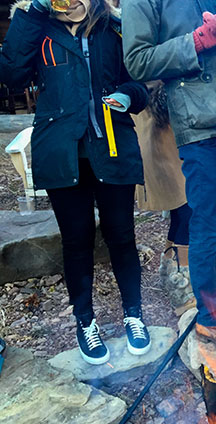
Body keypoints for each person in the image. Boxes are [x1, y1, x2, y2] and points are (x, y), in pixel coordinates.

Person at [0, 0, 150, 365]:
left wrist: (128, 95)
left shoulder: (114, 28)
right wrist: (32, 13)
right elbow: (11, 75)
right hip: (59, 151)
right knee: (76, 240)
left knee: (122, 235)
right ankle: (85, 321)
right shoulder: (38, 27)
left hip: (112, 146)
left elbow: (140, 84)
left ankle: (134, 315)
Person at [123, 0, 216, 354]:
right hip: (196, 125)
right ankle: (210, 318)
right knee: (209, 223)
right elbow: (137, 60)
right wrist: (197, 40)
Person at [133, 82, 195, 316]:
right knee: (185, 205)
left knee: (184, 206)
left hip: (173, 116)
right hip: (154, 115)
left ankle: (171, 273)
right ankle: (181, 288)